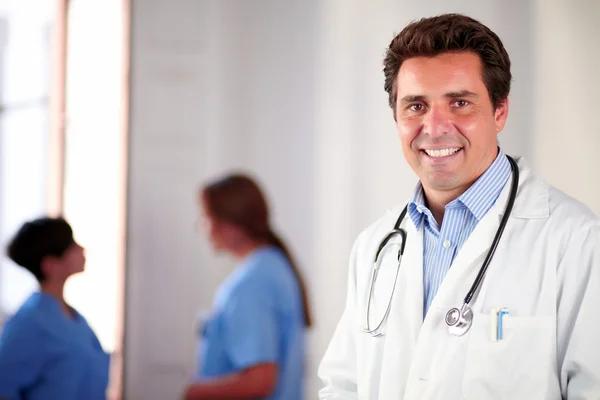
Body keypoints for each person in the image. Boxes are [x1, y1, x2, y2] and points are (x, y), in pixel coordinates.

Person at [318, 13, 600, 400]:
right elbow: (342, 386)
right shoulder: (375, 246)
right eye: (415, 106)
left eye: (460, 103)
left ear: (500, 111)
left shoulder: (576, 241)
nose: (434, 127)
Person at [183, 174, 311, 400]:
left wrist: (195, 391)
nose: (202, 228)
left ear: (231, 224)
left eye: (206, 218)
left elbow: (260, 380)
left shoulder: (252, 283)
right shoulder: (274, 265)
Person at [0, 217, 110, 399]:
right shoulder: (29, 323)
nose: (81, 249)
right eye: (71, 245)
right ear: (50, 265)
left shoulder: (74, 319)